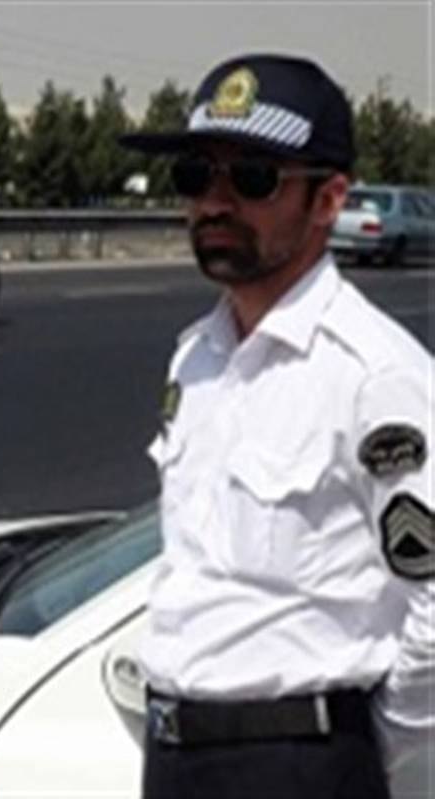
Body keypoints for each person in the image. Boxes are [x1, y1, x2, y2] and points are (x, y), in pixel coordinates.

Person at [118, 53, 432, 799]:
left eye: (253, 178)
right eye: (196, 175)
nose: (214, 202)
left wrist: (357, 748)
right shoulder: (196, 357)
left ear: (328, 200)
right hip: (175, 756)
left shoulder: (373, 373)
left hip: (298, 764)